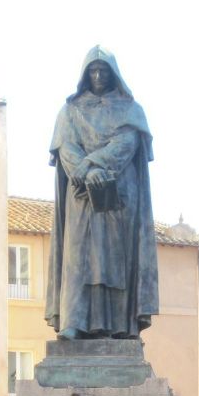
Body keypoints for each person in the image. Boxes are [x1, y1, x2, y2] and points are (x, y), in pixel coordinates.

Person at [45, 46, 158, 339]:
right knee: (77, 255)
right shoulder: (69, 111)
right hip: (81, 193)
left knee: (114, 259)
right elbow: (64, 147)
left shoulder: (131, 110)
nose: (97, 76)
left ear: (113, 74)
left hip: (118, 194)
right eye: (92, 71)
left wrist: (93, 164)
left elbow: (127, 144)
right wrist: (85, 171)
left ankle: (119, 325)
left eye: (103, 71)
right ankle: (74, 322)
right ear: (85, 75)